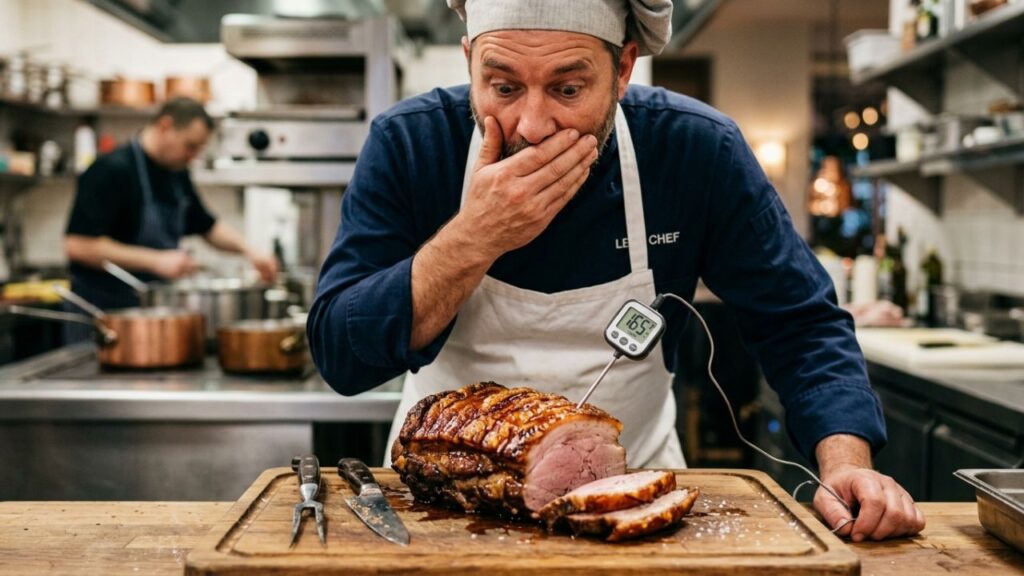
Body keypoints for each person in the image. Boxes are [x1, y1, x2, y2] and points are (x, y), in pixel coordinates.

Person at [308, 0, 925, 542]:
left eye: (568, 89)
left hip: (630, 493)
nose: (532, 125)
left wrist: (846, 462)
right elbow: (341, 355)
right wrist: (473, 238)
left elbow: (800, 323)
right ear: (470, 62)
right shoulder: (409, 145)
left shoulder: (696, 149)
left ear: (623, 68)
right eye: (503, 87)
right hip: (445, 502)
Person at [63, 97, 278, 328]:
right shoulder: (111, 169)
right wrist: (156, 261)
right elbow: (77, 245)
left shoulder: (176, 173)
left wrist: (250, 251)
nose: (192, 156)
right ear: (165, 126)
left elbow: (207, 226)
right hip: (103, 314)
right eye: (190, 146)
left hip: (150, 313)